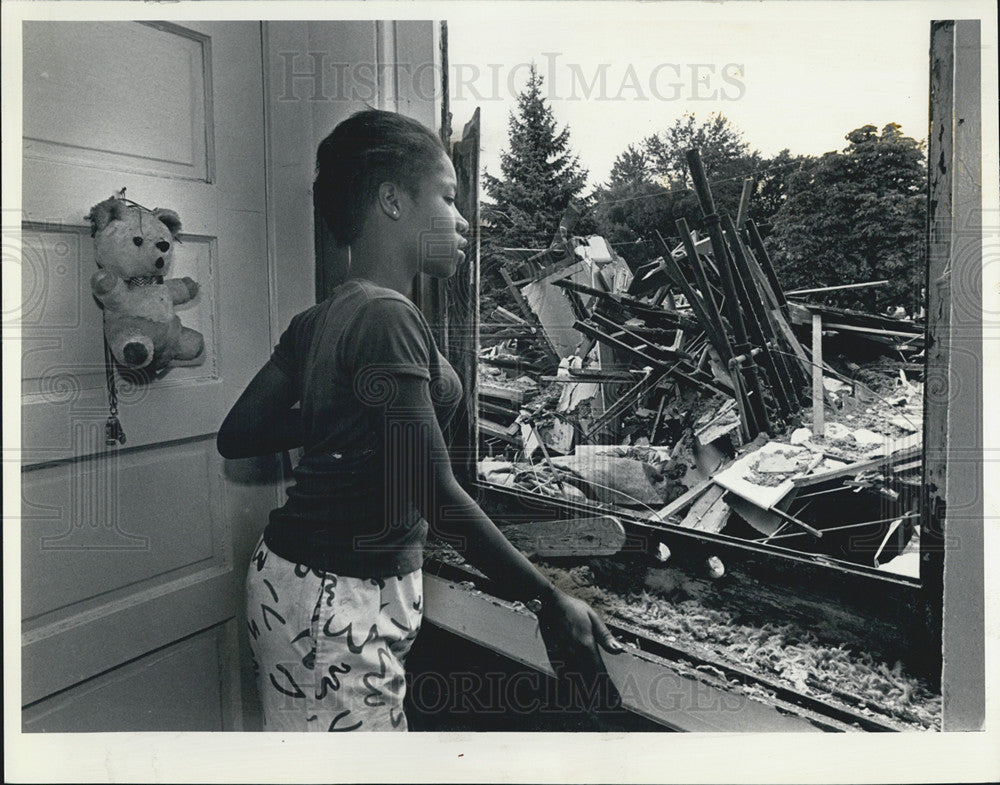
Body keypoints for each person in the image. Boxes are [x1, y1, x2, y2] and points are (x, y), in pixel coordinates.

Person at [217, 109, 624, 732]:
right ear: (392, 202)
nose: (464, 220)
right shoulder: (388, 318)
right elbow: (433, 488)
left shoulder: (321, 317)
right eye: (449, 197)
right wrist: (549, 598)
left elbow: (240, 432)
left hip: (303, 582)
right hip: (338, 597)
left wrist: (340, 418)